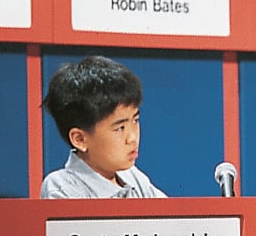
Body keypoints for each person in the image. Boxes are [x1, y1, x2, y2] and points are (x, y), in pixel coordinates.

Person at [40, 55, 166, 198]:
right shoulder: (62, 187)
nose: (132, 138)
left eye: (135, 121)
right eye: (120, 128)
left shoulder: (133, 177)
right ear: (80, 139)